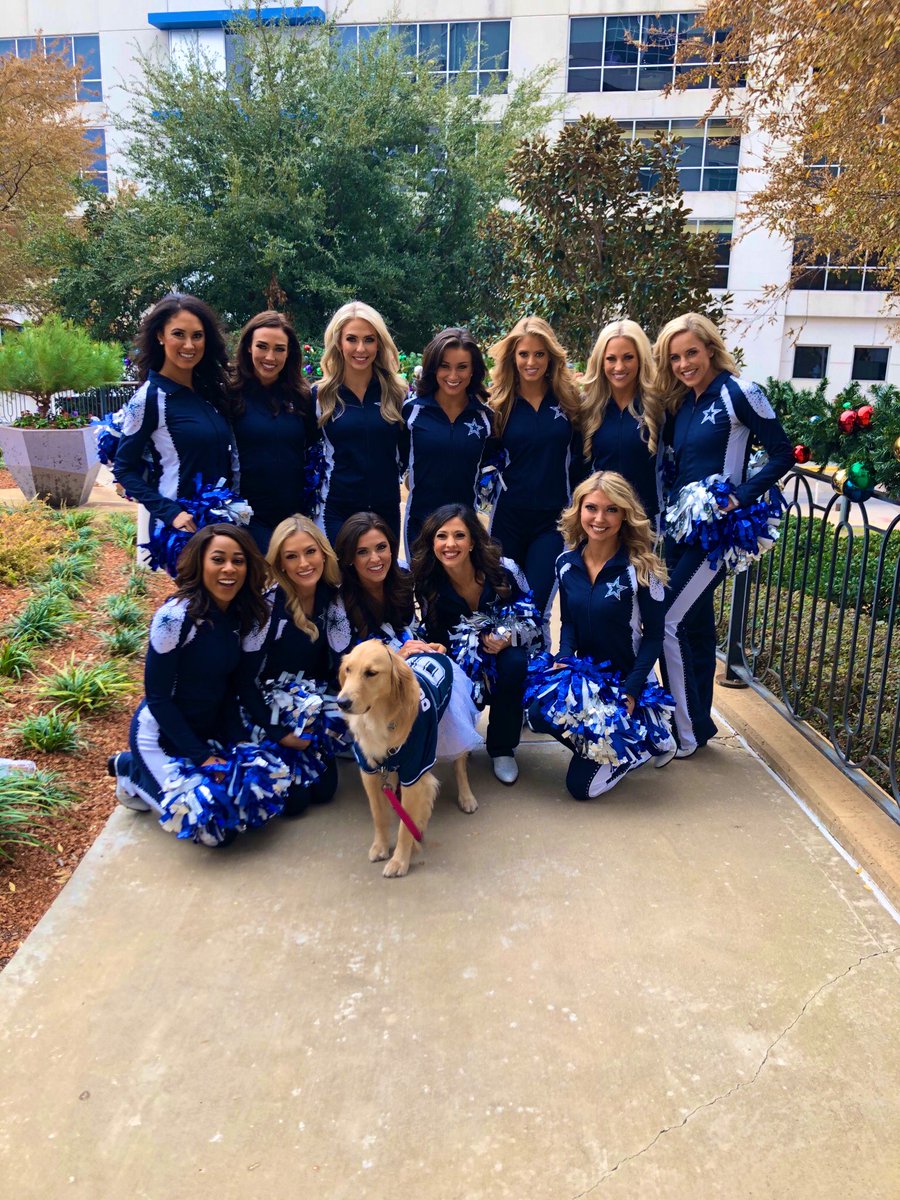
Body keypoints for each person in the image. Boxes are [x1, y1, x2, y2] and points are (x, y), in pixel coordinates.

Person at [654, 313, 793, 757]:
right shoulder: (683, 402)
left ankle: (687, 732)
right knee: (692, 623)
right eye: (675, 357)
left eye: (691, 352)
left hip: (717, 534)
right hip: (680, 528)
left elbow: (782, 452)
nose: (683, 363)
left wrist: (740, 497)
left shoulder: (740, 391)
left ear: (710, 348)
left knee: (667, 619)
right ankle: (698, 722)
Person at [108, 525, 271, 847]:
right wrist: (201, 757)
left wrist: (240, 742)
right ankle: (131, 770)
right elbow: (157, 698)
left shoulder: (243, 615)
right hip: (162, 735)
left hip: (208, 729)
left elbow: (228, 688)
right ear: (200, 563)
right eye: (218, 559)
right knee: (214, 831)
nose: (229, 569)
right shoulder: (174, 617)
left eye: (238, 561)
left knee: (249, 806)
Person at [527, 472, 677, 800]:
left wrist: (633, 692)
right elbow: (569, 624)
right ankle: (614, 746)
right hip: (590, 681)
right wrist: (564, 660)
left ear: (625, 515)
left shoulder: (643, 568)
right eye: (591, 507)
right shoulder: (565, 564)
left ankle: (636, 744)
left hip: (627, 685)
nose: (599, 518)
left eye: (611, 510)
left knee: (579, 789)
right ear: (578, 511)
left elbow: (654, 637)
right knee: (538, 710)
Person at [412, 504, 539, 785]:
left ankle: (502, 748)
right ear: (432, 541)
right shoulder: (427, 582)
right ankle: (460, 738)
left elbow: (532, 619)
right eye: (441, 536)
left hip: (503, 656)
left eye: (459, 535)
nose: (450, 544)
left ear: (472, 541)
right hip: (459, 659)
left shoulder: (505, 570)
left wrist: (509, 637)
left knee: (515, 662)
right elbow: (432, 633)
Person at [113, 294, 234, 553]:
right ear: (160, 336)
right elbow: (124, 470)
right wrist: (170, 512)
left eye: (197, 336)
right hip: (182, 531)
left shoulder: (209, 392)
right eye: (179, 334)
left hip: (221, 523)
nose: (189, 345)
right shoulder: (148, 398)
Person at [238, 516, 342, 817]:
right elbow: (244, 682)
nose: (304, 563)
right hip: (265, 710)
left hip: (311, 709)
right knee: (294, 806)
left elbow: (341, 660)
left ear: (323, 552)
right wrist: (279, 733)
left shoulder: (332, 598)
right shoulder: (268, 606)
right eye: (291, 556)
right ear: (280, 563)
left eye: (310, 552)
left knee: (325, 793)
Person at [486, 316, 582, 629]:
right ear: (512, 357)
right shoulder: (497, 403)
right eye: (524, 354)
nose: (531, 362)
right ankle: (506, 676)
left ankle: (537, 675)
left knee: (537, 608)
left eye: (539, 354)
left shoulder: (569, 401)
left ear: (550, 357)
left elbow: (583, 459)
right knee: (503, 604)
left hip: (553, 521)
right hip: (507, 520)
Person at [312, 302, 409, 546]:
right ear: (338, 342)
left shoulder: (396, 393)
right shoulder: (320, 395)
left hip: (385, 510)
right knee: (340, 582)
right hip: (336, 509)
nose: (360, 348)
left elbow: (407, 454)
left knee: (382, 582)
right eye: (351, 339)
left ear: (379, 343)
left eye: (369, 339)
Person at [228, 312, 317, 553]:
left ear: (289, 353)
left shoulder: (303, 397)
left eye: (279, 349)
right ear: (248, 347)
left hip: (294, 519)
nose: (270, 357)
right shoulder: (228, 395)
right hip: (245, 518)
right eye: (262, 347)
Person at [402, 327, 493, 558]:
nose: (453, 376)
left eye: (462, 367)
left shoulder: (486, 417)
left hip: (465, 530)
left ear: (474, 370)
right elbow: (397, 460)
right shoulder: (411, 411)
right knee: (424, 594)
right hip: (420, 526)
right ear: (433, 368)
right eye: (445, 366)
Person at [580, 318, 665, 532]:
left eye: (628, 357)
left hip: (642, 521)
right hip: (596, 521)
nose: (619, 367)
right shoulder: (586, 407)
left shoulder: (659, 406)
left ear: (641, 360)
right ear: (601, 361)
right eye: (611, 359)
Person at [326, 511, 437, 658]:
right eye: (362, 552)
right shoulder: (338, 603)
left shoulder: (405, 575)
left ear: (391, 548)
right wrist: (395, 659)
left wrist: (429, 648)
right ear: (350, 557)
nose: (375, 559)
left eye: (381, 547)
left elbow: (411, 630)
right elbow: (343, 670)